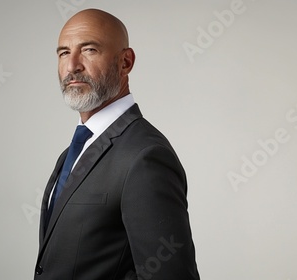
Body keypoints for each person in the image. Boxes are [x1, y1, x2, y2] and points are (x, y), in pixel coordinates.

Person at [34, 8, 200, 280]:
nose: (72, 65)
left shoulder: (145, 156)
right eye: (64, 52)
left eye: (89, 50)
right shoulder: (73, 153)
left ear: (125, 62)